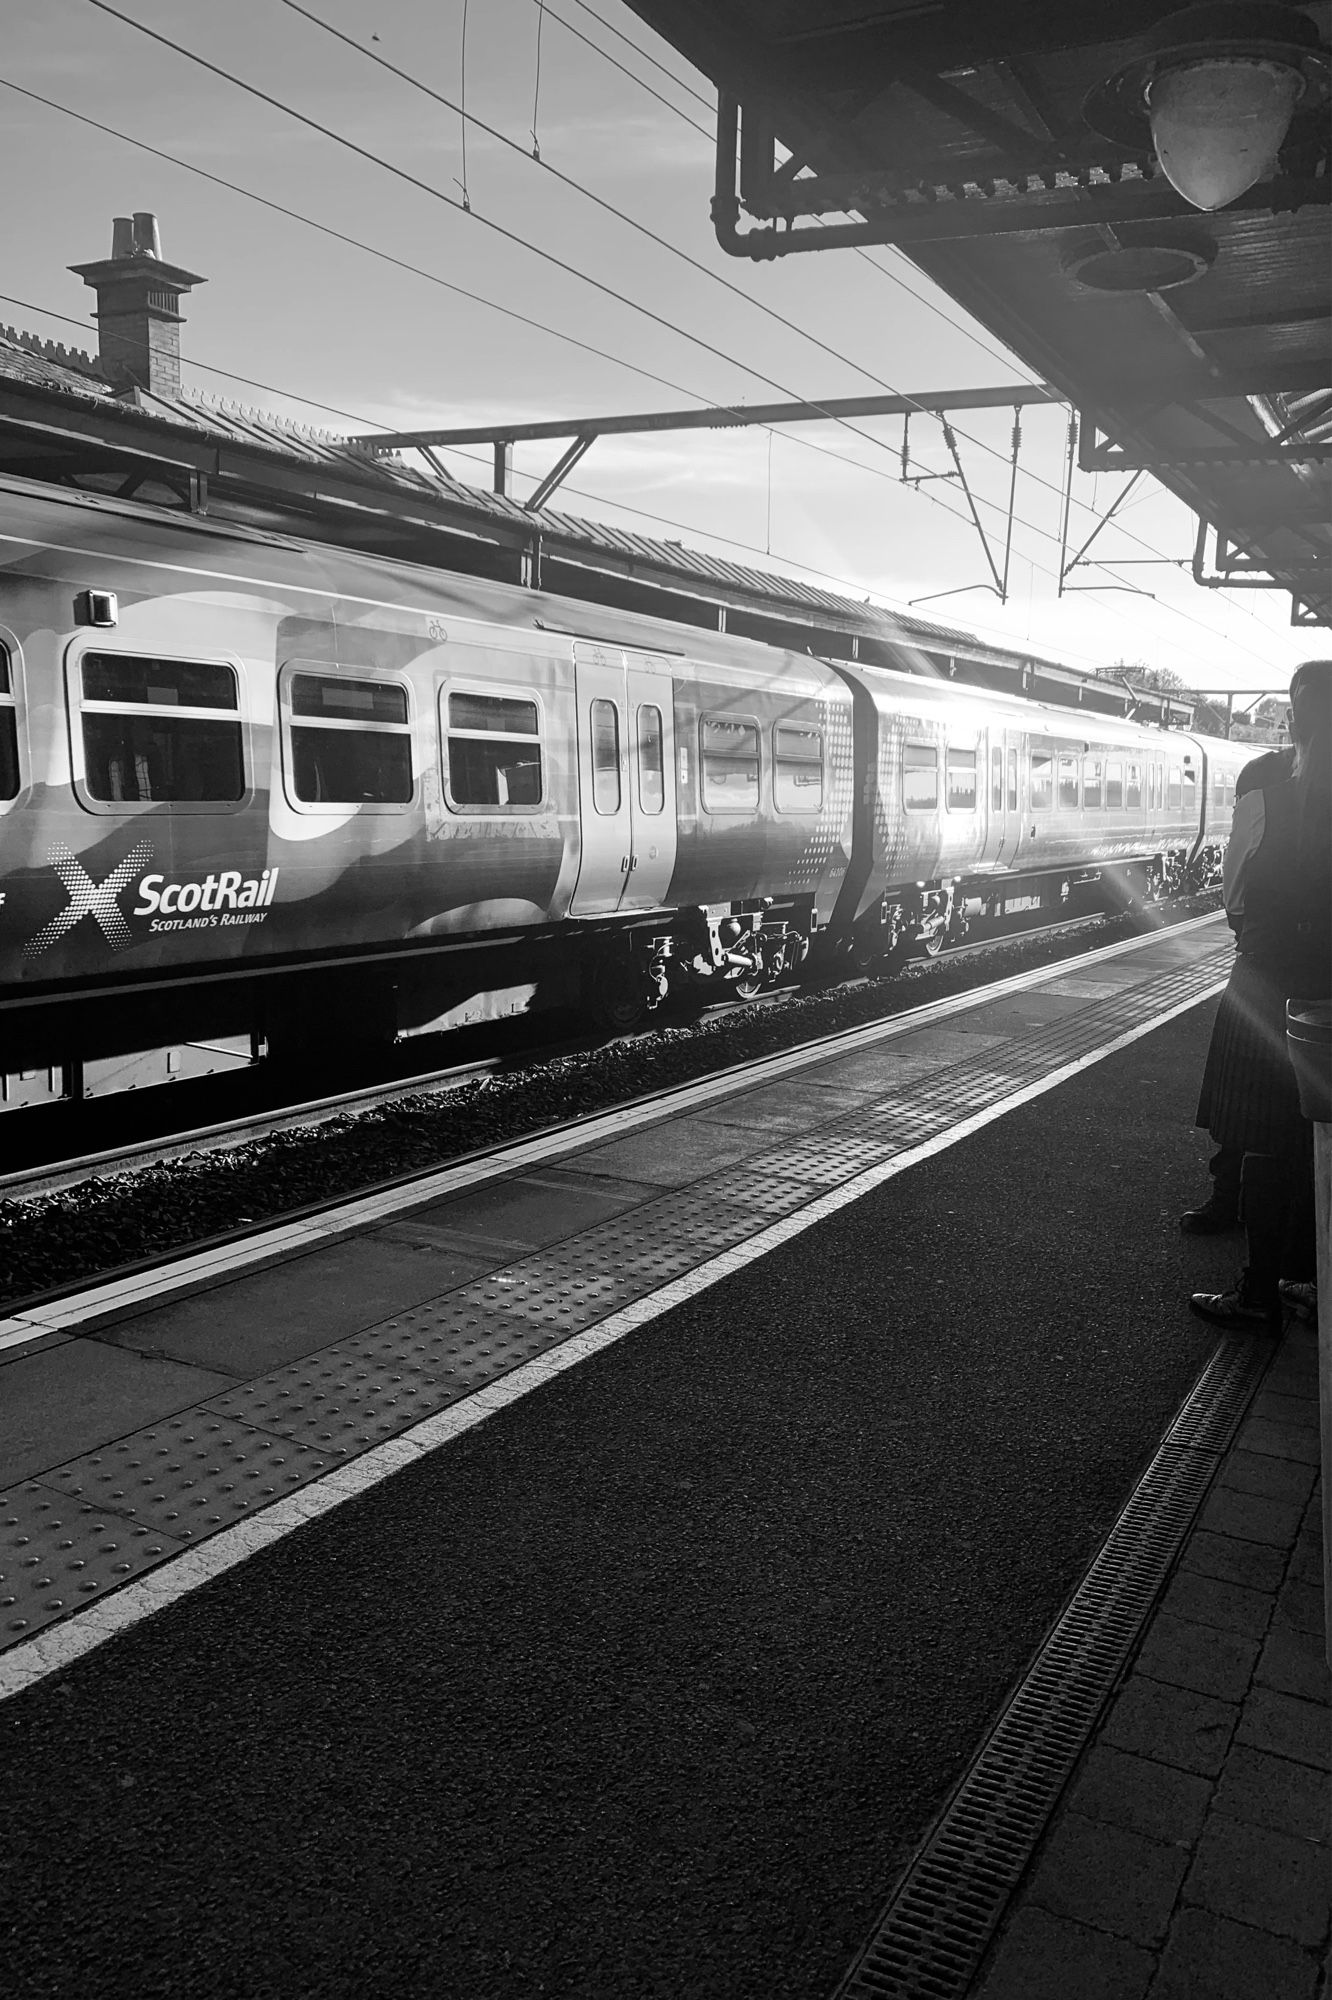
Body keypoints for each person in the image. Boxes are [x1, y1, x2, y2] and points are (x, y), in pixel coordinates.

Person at [1189, 659, 1332, 1329]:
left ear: (1294, 722)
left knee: (1265, 1138)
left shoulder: (1263, 801)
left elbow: (1235, 902)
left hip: (1268, 987)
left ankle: (1259, 1291)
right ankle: (1314, 1278)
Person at [1181, 730, 1295, 1233]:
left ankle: (1228, 1199)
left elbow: (1235, 899)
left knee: (1242, 1098)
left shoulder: (1263, 800)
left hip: (1263, 967)